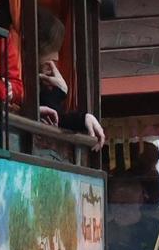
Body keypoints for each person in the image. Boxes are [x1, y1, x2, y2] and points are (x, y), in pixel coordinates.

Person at [32, 9, 106, 149]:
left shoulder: (38, 84)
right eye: (51, 48)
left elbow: (56, 118)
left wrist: (84, 118)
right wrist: (59, 92)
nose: (56, 58)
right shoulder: (20, 81)